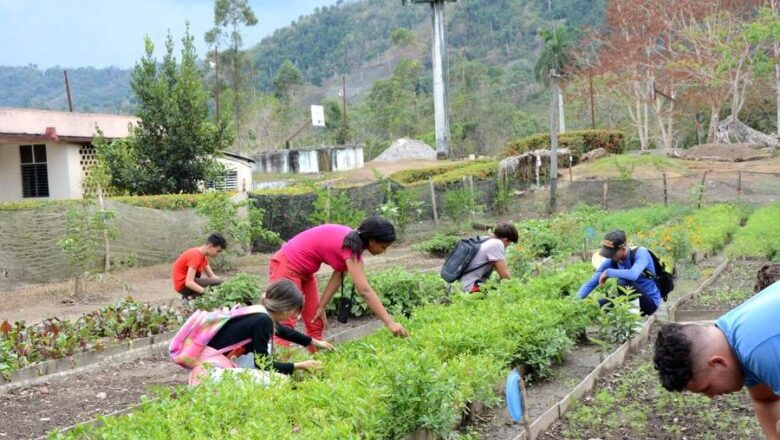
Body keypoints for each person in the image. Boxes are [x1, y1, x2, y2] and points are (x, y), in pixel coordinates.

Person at [653, 281, 780, 439]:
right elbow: (765, 400)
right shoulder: (731, 340)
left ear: (718, 362)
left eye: (706, 388)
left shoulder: (760, 349)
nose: (711, 396)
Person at [269, 216, 409, 346]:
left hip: (306, 272)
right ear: (372, 240)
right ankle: (279, 371)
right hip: (287, 265)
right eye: (383, 247)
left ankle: (316, 366)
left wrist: (321, 306)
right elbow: (364, 290)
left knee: (316, 322)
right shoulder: (351, 246)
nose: (383, 251)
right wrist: (389, 322)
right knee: (285, 323)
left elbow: (339, 274)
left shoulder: (353, 241)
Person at [190, 279, 334, 386]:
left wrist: (315, 342)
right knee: (281, 381)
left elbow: (284, 332)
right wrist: (300, 365)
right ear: (287, 309)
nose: (296, 315)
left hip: (205, 370)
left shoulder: (259, 313)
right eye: (296, 311)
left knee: (265, 363)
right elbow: (264, 365)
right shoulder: (262, 321)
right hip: (210, 375)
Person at [577, 229, 661, 316]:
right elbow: (591, 283)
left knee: (623, 282)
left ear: (623, 249)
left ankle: (634, 318)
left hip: (650, 303)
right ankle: (628, 313)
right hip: (629, 299)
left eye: (612, 253)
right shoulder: (612, 260)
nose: (610, 256)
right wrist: (574, 302)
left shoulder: (641, 253)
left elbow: (633, 275)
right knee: (595, 306)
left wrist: (608, 272)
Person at [459, 223, 519, 293]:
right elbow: (505, 276)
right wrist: (517, 288)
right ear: (505, 240)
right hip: (468, 288)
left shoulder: (485, 239)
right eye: (508, 244)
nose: (506, 247)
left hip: (457, 285)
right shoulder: (497, 244)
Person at [172, 233, 226, 299]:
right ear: (210, 246)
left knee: (220, 284)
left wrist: (227, 284)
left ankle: (189, 297)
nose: (218, 254)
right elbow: (189, 282)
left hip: (187, 284)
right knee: (218, 284)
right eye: (218, 251)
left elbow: (212, 276)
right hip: (183, 286)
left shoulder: (203, 256)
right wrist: (206, 292)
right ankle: (188, 298)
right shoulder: (195, 255)